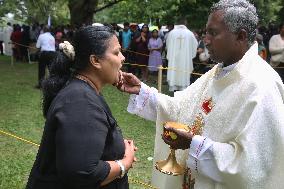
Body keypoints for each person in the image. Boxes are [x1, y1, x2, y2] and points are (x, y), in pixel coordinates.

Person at [116, 0, 284, 188]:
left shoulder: (262, 85)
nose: (206, 40)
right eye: (206, 32)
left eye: (213, 33)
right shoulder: (218, 72)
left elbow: (256, 165)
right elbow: (181, 109)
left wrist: (195, 145)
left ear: (241, 36)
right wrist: (143, 91)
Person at [26, 26, 137, 189]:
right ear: (95, 61)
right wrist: (125, 163)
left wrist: (115, 144)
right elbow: (82, 174)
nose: (122, 58)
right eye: (116, 52)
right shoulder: (80, 101)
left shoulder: (83, 90)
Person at [166, 20, 198, 91]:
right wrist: (190, 55)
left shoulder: (171, 33)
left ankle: (174, 87)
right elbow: (195, 45)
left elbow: (167, 45)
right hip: (185, 59)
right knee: (184, 72)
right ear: (185, 23)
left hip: (174, 58)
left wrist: (171, 52)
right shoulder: (189, 34)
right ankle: (183, 88)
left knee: (174, 71)